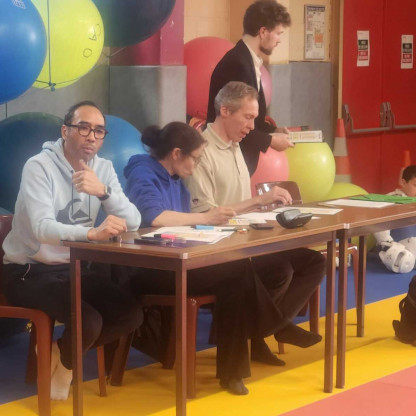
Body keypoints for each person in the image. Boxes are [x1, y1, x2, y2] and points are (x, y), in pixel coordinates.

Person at [124, 121, 285, 395]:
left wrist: (210, 224)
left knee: (234, 277)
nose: (196, 165)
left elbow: (184, 224)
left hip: (176, 260)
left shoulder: (177, 182)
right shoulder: (143, 173)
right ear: (176, 153)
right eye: (195, 159)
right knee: (236, 270)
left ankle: (233, 373)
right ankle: (275, 327)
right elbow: (155, 217)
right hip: (147, 268)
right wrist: (206, 218)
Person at [2, 101, 142, 401]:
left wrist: (103, 191)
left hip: (72, 268)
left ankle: (62, 354)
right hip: (27, 271)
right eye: (83, 128)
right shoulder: (38, 166)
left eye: (99, 131)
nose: (92, 136)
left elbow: (134, 221)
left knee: (129, 314)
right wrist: (91, 234)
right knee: (88, 321)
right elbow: (43, 228)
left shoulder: (102, 168)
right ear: (65, 131)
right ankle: (67, 366)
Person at [186, 81, 326, 360]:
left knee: (313, 261)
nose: (252, 126)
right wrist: (257, 201)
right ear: (225, 111)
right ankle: (275, 328)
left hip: (244, 241)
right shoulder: (202, 152)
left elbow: (238, 204)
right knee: (279, 270)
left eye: (254, 118)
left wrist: (264, 212)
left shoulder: (235, 144)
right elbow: (206, 215)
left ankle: (263, 330)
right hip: (218, 250)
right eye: (248, 117)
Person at [206, 0, 293, 176]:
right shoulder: (238, 64)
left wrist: (273, 131)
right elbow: (235, 121)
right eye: (278, 33)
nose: (279, 40)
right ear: (263, 32)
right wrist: (270, 141)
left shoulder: (247, 60)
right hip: (228, 159)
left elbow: (252, 120)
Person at [374, 165, 416, 272]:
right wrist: (389, 245)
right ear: (403, 182)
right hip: (399, 248)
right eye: (415, 185)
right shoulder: (391, 200)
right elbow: (380, 226)